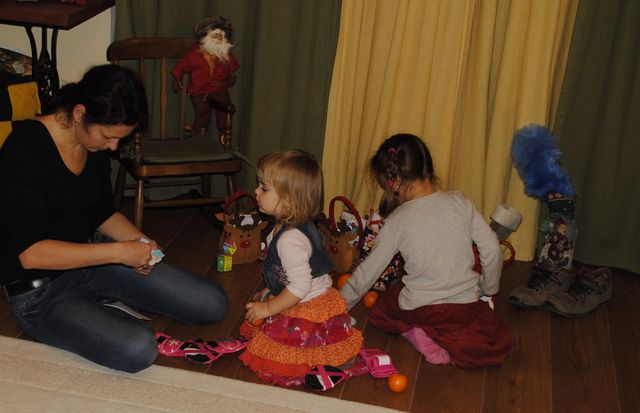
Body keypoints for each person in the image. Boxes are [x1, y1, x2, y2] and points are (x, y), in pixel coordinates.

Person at [0, 64, 229, 373]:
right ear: (79, 113)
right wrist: (119, 252)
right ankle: (94, 309)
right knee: (138, 348)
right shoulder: (24, 149)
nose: (113, 147)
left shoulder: (93, 143)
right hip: (41, 291)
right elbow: (30, 255)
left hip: (96, 262)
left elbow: (102, 212)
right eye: (108, 137)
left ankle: (102, 302)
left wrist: (142, 243)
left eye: (120, 139)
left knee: (212, 303)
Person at [340, 133, 512, 368]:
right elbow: (492, 250)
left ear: (394, 182)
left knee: (382, 308)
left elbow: (367, 273)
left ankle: (417, 332)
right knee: (488, 327)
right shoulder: (461, 202)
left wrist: (338, 307)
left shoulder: (397, 220)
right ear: (428, 169)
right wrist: (488, 289)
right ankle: (440, 334)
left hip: (422, 309)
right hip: (465, 307)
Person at [240, 150, 364, 387]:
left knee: (287, 352)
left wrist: (268, 308)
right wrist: (272, 290)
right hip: (305, 292)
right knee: (267, 310)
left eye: (264, 188)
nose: (256, 191)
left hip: (307, 302)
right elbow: (290, 273)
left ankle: (328, 362)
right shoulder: (289, 225)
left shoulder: (289, 240)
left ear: (288, 200)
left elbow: (299, 286)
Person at [170, 16, 239, 139]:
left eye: (221, 35)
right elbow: (182, 66)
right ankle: (198, 135)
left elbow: (232, 67)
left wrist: (231, 76)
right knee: (202, 113)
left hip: (219, 88)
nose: (219, 38)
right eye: (215, 35)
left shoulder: (225, 53)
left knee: (225, 111)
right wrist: (177, 78)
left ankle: (223, 134)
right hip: (199, 90)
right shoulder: (194, 54)